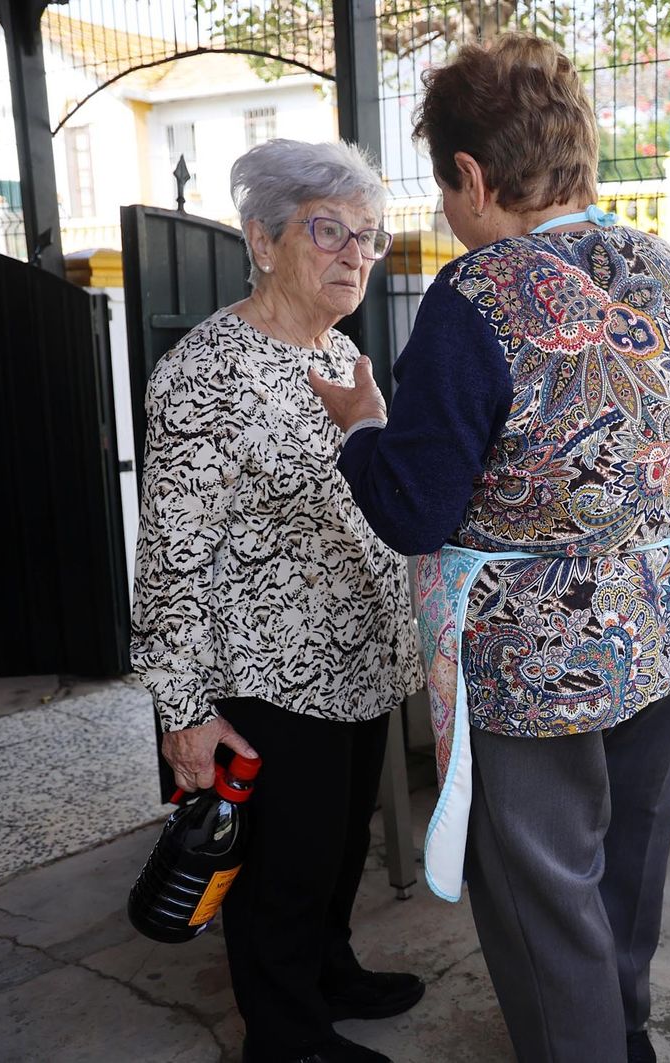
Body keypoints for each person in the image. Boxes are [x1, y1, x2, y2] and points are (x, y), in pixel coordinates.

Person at [307, 34, 670, 1063]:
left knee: (540, 888)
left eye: (442, 187)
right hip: (663, 626)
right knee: (628, 861)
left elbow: (414, 509)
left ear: (471, 175)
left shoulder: (478, 299)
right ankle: (625, 1037)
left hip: (533, 656)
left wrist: (361, 433)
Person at [130, 138, 425, 1063]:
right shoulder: (205, 373)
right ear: (262, 239)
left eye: (368, 238)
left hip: (358, 657)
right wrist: (181, 710)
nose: (355, 255)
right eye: (327, 230)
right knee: (281, 869)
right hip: (269, 674)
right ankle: (286, 1035)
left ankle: (327, 971)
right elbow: (171, 555)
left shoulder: (341, 354)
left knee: (339, 849)